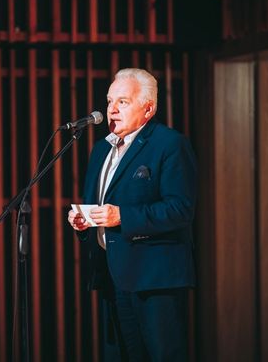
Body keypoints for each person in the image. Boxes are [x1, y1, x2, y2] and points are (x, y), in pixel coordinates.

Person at [68, 68, 197, 362]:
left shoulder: (170, 144)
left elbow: (181, 209)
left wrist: (122, 217)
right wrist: (84, 221)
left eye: (122, 102)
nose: (111, 109)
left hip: (155, 279)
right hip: (112, 275)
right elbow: (98, 204)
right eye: (109, 101)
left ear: (148, 109)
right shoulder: (101, 150)